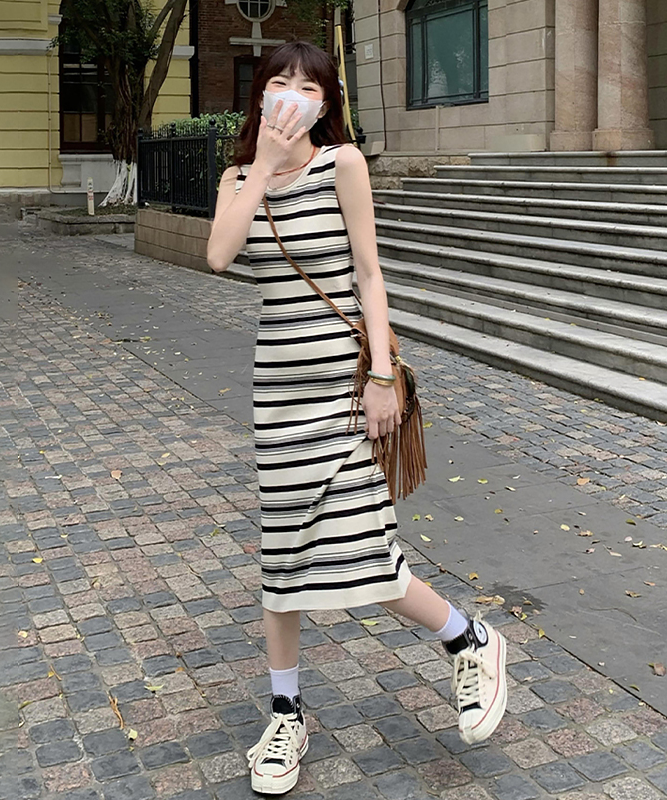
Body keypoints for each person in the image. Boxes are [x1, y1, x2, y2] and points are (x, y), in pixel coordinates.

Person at [207, 41, 508, 796]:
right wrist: (261, 169)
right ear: (260, 94)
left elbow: (370, 275)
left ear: (327, 103)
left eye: (310, 87)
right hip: (278, 396)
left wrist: (380, 376)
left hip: (344, 389)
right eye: (280, 82)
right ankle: (286, 715)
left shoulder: (343, 163)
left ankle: (469, 639)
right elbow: (218, 256)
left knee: (364, 550)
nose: (293, 95)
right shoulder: (236, 180)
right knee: (282, 560)